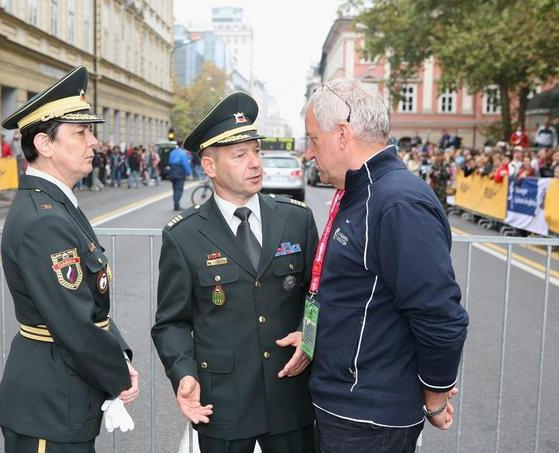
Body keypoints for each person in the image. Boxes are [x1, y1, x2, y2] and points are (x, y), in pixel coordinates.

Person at [303, 79, 468, 452]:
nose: (309, 153)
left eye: (314, 139)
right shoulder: (362, 191)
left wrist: (435, 397)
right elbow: (356, 294)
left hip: (368, 419)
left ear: (343, 134)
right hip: (345, 404)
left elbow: (439, 314)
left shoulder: (396, 201)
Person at [152, 92, 319, 453]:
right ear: (210, 167)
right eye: (240, 155)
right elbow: (171, 322)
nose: (255, 163)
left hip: (289, 397)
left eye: (256, 151)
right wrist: (183, 373)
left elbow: (318, 298)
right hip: (224, 405)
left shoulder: (296, 219)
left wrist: (309, 338)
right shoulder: (183, 235)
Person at [0, 66, 140, 452]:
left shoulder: (57, 205)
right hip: (49, 404)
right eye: (81, 132)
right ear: (44, 143)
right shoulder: (44, 219)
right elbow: (74, 324)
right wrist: (118, 374)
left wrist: (118, 354)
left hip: (62, 394)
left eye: (91, 131)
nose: (94, 142)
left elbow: (91, 305)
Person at [167, 140, 191, 210]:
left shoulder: (172, 152)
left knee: (175, 189)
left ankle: (175, 204)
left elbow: (169, 161)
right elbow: (185, 164)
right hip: (180, 171)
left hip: (172, 170)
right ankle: (176, 205)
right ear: (182, 144)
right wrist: (188, 173)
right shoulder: (183, 153)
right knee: (179, 189)